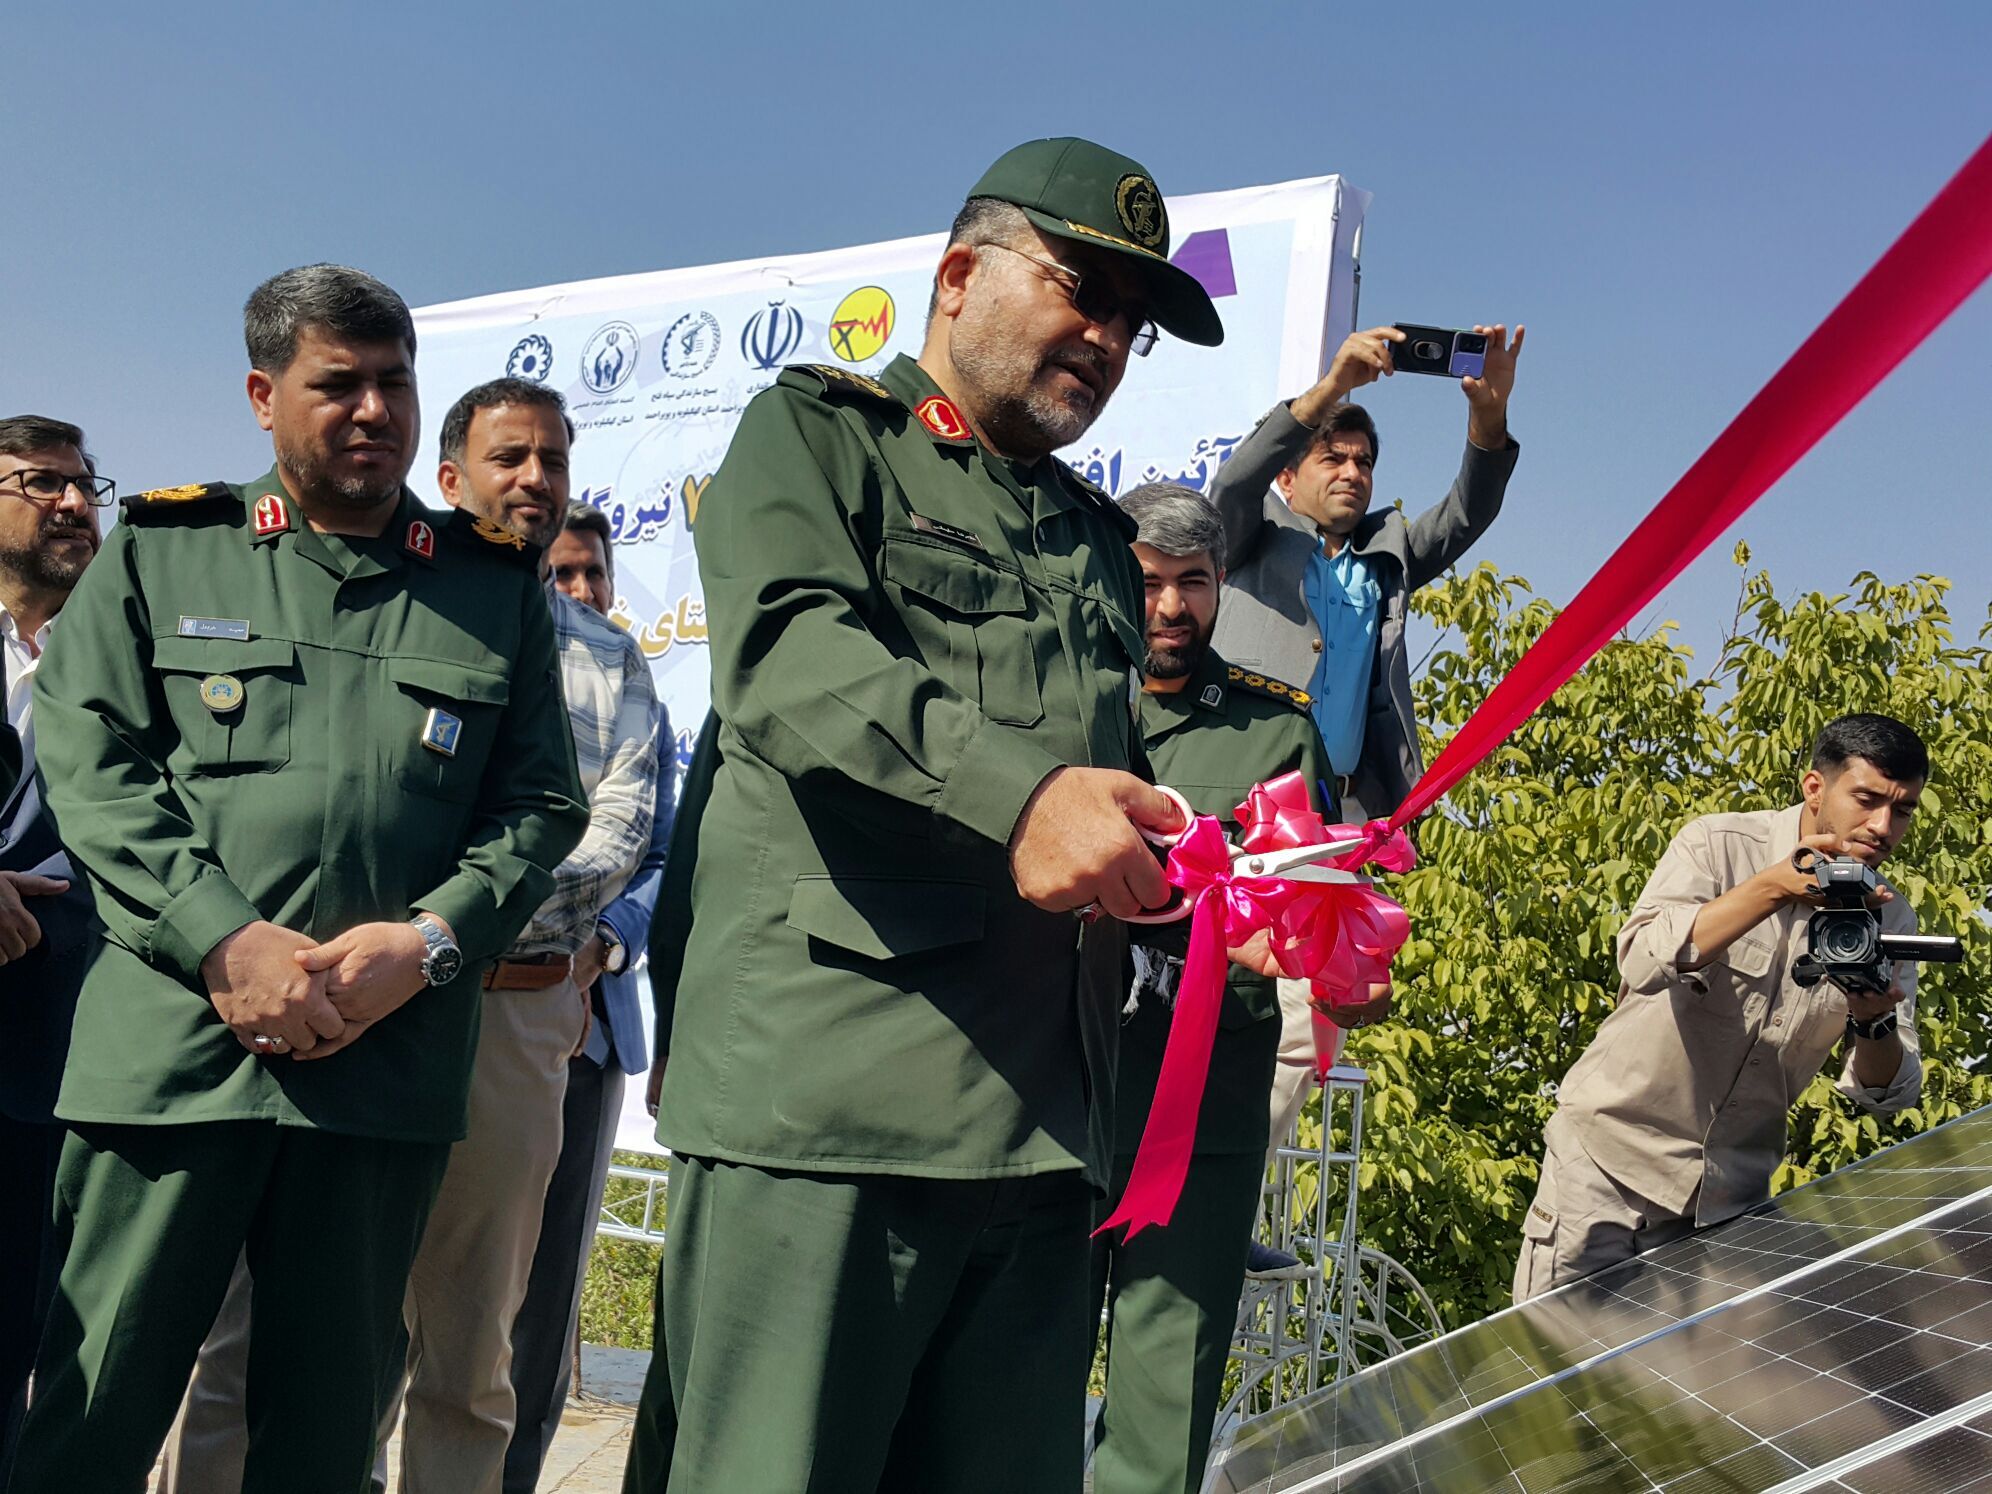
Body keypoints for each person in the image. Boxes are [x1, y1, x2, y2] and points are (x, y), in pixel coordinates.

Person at [623, 136, 1227, 1494]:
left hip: (1047, 1130)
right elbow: (791, 666)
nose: (1107, 335)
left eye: (1132, 321)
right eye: (1082, 287)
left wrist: (1208, 886)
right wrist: (1028, 801)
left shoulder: (1092, 542)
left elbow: (1097, 804)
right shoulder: (819, 439)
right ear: (960, 276)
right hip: (839, 1113)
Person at [8, 265, 589, 1494]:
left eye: (394, 383)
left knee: (326, 1436)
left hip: (377, 1072)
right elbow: (89, 757)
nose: (374, 410)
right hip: (171, 1066)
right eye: (339, 385)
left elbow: (542, 803)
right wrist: (226, 943)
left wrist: (426, 945)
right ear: (265, 397)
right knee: (95, 1411)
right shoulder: (168, 554)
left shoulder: (489, 588)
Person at [161, 383, 660, 1494]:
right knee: (264, 1339)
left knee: (468, 1355)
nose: (535, 480)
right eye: (509, 457)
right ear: (449, 481)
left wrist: (429, 929)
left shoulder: (609, 661)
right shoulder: (370, 609)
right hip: (331, 1010)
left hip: (505, 1021)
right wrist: (363, 942)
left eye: (554, 461)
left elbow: (610, 838)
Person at [1206, 323, 1524, 1235]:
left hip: (1338, 829)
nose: (1349, 472)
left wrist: (1488, 415)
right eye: (1330, 456)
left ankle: (1233, 1217)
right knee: (1212, 1017)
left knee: (1305, 1034)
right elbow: (1227, 482)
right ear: (1292, 475)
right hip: (1243, 820)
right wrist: (1331, 385)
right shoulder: (1249, 537)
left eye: (1362, 459)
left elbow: (1466, 513)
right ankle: (1174, 1210)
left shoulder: (1388, 556)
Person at [1088, 483, 1340, 1494]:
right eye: (1149, 583)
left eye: (1193, 583)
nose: (1169, 608)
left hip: (1204, 1093)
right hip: (1054, 1075)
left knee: (1167, 1382)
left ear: (1222, 586)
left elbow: (1305, 896)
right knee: (1011, 1365)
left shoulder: (1276, 731)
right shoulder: (1063, 699)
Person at [1513, 714, 1931, 1301]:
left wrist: (1873, 1017)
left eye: (1904, 809)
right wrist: (1774, 887)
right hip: (1606, 1171)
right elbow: (1639, 959)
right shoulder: (1719, 844)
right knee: (1550, 1379)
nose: (1884, 825)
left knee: (1683, 1394)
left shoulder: (1888, 917)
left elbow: (1892, 1092)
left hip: (1727, 1210)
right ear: (1815, 788)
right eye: (1867, 799)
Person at [505, 503, 675, 1494]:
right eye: (561, 575)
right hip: (473, 1010)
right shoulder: (493, 679)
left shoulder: (634, 690)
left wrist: (604, 946)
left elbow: (657, 858)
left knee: (544, 1304)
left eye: (594, 575)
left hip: (586, 1033)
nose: (581, 593)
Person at [0, 418, 106, 1482]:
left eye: (86, 486)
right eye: (43, 483)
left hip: (61, 1055)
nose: (74, 504)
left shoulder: (125, 646)